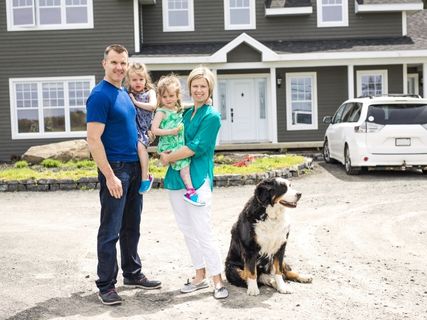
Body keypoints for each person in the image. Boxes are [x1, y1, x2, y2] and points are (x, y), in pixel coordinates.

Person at [86, 44, 161, 306]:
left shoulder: (124, 93)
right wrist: (109, 175)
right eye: (115, 62)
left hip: (133, 166)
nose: (119, 67)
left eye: (123, 63)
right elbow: (93, 140)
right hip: (116, 169)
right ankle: (106, 285)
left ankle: (132, 273)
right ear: (104, 63)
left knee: (132, 226)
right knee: (110, 229)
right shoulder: (100, 95)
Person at [159, 66, 228, 299]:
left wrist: (167, 157)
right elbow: (168, 135)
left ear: (210, 89)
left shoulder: (212, 116)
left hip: (197, 180)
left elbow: (196, 147)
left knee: (203, 230)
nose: (198, 90)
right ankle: (200, 276)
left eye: (203, 86)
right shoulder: (184, 114)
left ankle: (217, 279)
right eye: (195, 86)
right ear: (189, 89)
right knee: (187, 230)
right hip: (176, 179)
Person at [151, 75, 205, 206]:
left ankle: (188, 191)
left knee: (184, 165)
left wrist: (205, 102)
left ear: (177, 96)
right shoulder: (161, 112)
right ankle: (191, 191)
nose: (168, 99)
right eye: (164, 97)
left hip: (177, 143)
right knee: (184, 166)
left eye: (171, 96)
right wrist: (171, 131)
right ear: (160, 97)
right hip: (169, 144)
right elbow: (154, 130)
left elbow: (193, 106)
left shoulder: (178, 109)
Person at [125, 63, 157, 194]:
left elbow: (153, 106)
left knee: (139, 147)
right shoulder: (127, 93)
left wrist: (136, 102)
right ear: (129, 80)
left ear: (146, 80)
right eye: (134, 80)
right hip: (133, 128)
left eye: (141, 79)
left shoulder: (150, 92)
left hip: (144, 129)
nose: (138, 82)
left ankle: (145, 178)